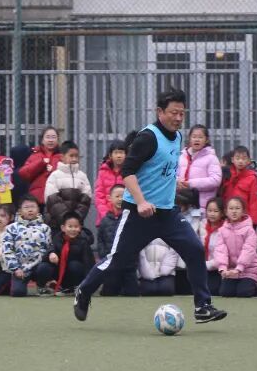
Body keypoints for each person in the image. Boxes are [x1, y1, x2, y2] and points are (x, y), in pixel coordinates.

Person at [73, 88, 227, 324]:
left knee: (195, 250)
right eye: (173, 113)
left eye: (182, 113)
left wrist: (173, 182)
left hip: (168, 214)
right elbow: (127, 172)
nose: (178, 118)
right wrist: (142, 201)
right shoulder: (147, 138)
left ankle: (202, 306)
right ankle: (84, 291)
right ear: (159, 112)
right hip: (139, 214)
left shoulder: (177, 137)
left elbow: (160, 168)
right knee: (117, 261)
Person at [0, 195, 52, 297]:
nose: (30, 210)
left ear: (38, 209)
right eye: (26, 207)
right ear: (20, 211)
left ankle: (41, 286)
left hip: (38, 266)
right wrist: (15, 268)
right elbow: (7, 250)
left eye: (33, 207)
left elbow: (49, 248)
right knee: (18, 293)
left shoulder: (45, 228)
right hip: (20, 269)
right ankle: (12, 283)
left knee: (45, 268)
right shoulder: (11, 228)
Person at [212, 197, 257, 298]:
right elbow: (220, 251)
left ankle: (256, 287)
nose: (234, 211)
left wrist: (239, 269)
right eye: (231, 208)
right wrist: (223, 269)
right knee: (225, 293)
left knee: (243, 292)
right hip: (231, 270)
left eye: (237, 208)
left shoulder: (249, 230)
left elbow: (249, 250)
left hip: (248, 270)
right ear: (226, 211)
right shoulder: (222, 231)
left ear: (243, 211)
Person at [43, 140, 92, 230]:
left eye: (76, 156)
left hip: (76, 225)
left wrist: (76, 217)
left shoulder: (82, 176)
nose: (74, 159)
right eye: (71, 156)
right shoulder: (55, 176)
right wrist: (65, 218)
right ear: (62, 157)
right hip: (57, 224)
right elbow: (52, 200)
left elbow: (86, 199)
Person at [176, 125, 222, 215]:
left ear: (206, 140)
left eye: (200, 137)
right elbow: (173, 175)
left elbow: (216, 180)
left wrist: (191, 184)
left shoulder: (211, 158)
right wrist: (178, 182)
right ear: (189, 139)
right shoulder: (181, 157)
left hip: (202, 207)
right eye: (194, 137)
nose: (197, 140)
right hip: (181, 204)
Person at [45, 213, 94, 295]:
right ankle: (53, 286)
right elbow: (48, 251)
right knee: (44, 267)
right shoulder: (57, 238)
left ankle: (77, 287)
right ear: (63, 228)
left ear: (80, 228)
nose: (73, 229)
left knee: (74, 265)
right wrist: (51, 253)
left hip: (76, 273)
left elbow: (89, 263)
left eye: (76, 226)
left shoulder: (83, 242)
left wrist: (89, 283)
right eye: (70, 226)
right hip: (61, 272)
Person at [18, 126, 60, 203]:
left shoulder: (62, 156)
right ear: (42, 140)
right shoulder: (35, 155)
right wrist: (41, 163)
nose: (51, 140)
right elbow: (23, 173)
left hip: (57, 198)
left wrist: (53, 170)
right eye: (48, 137)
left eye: (53, 137)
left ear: (58, 140)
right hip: (37, 198)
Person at [221, 145, 257, 228]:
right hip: (228, 218)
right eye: (237, 158)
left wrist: (253, 222)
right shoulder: (227, 175)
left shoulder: (252, 178)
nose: (240, 161)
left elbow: (254, 201)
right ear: (232, 160)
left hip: (244, 220)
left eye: (244, 158)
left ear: (249, 161)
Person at [94, 140, 126, 226]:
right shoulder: (103, 171)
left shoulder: (129, 172)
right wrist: (106, 215)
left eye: (121, 152)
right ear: (110, 155)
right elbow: (99, 195)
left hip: (124, 218)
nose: (119, 156)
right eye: (116, 153)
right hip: (105, 218)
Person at [199, 196, 226, 296]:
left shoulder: (225, 228)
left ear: (222, 213)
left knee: (212, 290)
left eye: (216, 211)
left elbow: (221, 256)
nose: (212, 214)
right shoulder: (202, 225)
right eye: (209, 211)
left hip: (218, 268)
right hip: (204, 266)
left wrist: (205, 265)